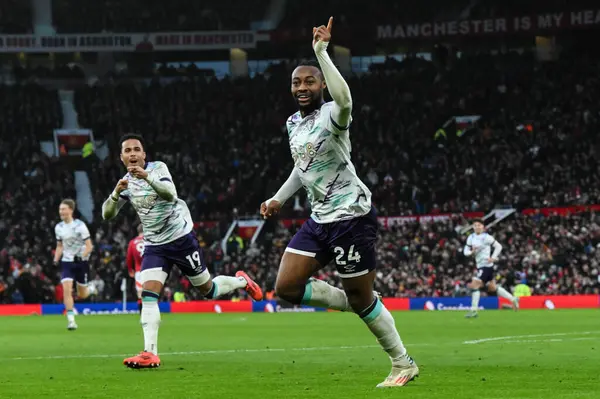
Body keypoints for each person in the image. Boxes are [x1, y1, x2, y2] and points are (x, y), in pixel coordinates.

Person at [260, 17, 418, 388]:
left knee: (363, 303)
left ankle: (402, 362)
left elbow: (345, 98)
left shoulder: (332, 114)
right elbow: (303, 168)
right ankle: (360, 298)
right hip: (320, 219)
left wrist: (321, 54)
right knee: (285, 288)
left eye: (309, 80)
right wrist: (278, 198)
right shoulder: (292, 124)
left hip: (351, 216)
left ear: (320, 85)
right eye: (297, 82)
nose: (302, 86)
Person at [102, 133, 263, 369]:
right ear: (121, 157)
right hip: (155, 246)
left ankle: (240, 281)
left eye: (137, 149)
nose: (133, 154)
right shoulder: (125, 184)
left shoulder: (157, 169)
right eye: (128, 150)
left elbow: (170, 194)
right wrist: (116, 193)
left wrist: (146, 177)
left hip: (181, 240)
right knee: (148, 296)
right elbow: (107, 214)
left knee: (209, 290)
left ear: (144, 154)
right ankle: (149, 353)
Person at [53, 199, 95, 330]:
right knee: (67, 290)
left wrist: (82, 257)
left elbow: (89, 246)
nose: (61, 212)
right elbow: (59, 246)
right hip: (67, 262)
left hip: (81, 262)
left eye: (64, 209)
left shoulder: (80, 225)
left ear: (71, 210)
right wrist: (55, 259)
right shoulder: (58, 227)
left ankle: (91, 289)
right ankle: (71, 321)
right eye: (60, 209)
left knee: (82, 294)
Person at [463, 219, 519, 318]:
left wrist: (493, 257)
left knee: (474, 285)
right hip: (480, 265)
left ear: (483, 227)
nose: (477, 227)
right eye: (475, 225)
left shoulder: (486, 237)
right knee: (492, 287)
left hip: (486, 266)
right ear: (473, 227)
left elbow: (499, 246)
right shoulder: (471, 237)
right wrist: (470, 252)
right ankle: (513, 299)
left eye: (479, 225)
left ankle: (473, 310)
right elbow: (465, 250)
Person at [126, 224, 145, 311]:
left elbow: (129, 258)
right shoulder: (150, 241)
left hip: (139, 271)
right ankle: (153, 316)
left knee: (140, 294)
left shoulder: (132, 242)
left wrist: (130, 270)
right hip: (151, 270)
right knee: (152, 293)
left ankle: (142, 317)